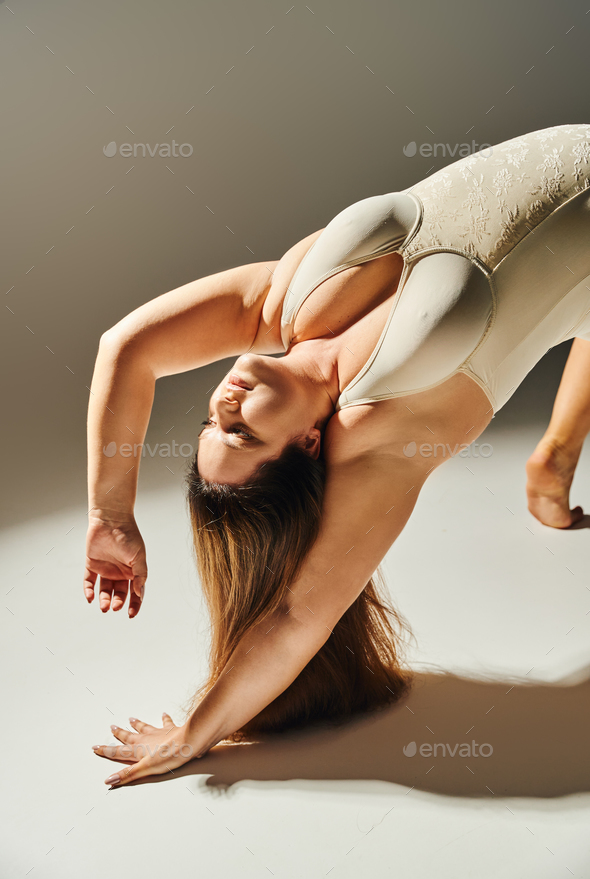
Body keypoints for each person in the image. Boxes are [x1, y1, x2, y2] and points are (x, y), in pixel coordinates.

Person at [86, 122, 590, 786]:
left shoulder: (282, 308)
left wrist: (111, 514)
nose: (227, 402)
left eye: (212, 420)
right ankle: (555, 457)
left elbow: (127, 347)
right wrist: (194, 733)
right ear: (308, 443)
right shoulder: (383, 430)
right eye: (242, 433)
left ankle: (554, 457)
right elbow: (297, 616)